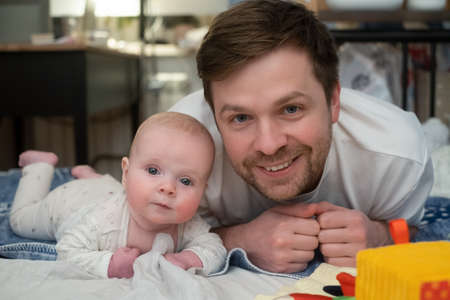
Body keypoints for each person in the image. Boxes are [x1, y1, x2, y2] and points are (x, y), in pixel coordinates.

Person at [169, 0, 434, 273]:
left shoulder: (397, 154)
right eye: (241, 118)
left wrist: (382, 236)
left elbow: (412, 229)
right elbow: (146, 231)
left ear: (333, 101)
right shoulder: (179, 149)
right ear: (212, 115)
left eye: (291, 109)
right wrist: (238, 239)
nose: (269, 145)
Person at [9, 112, 226, 278]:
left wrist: (188, 259)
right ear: (126, 172)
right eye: (153, 171)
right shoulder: (103, 220)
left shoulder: (189, 225)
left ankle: (91, 176)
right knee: (19, 220)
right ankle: (40, 166)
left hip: (108, 188)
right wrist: (109, 264)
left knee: (116, 189)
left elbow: (215, 248)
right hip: (70, 202)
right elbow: (67, 249)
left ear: (202, 192)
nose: (168, 188)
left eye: (186, 181)